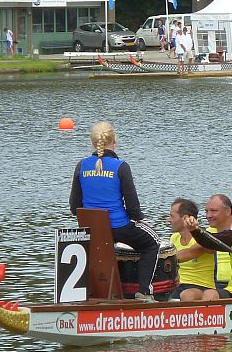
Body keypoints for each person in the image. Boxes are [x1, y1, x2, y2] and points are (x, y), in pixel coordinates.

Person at [68, 121, 160, 301]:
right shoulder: (121, 166)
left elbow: (74, 207)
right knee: (152, 242)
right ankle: (144, 292)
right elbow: (133, 208)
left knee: (102, 246)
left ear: (93, 142)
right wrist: (140, 219)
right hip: (119, 227)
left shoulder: (81, 165)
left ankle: (92, 292)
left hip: (91, 231)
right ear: (114, 141)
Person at [169, 198, 220, 301]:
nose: (168, 220)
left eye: (171, 216)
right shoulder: (173, 238)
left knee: (187, 295)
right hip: (178, 286)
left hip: (201, 288)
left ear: (185, 218)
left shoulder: (204, 238)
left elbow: (189, 253)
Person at [203, 193, 232, 289]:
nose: (208, 215)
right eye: (206, 211)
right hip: (213, 284)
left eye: (213, 211)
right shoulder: (207, 232)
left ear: (228, 211)